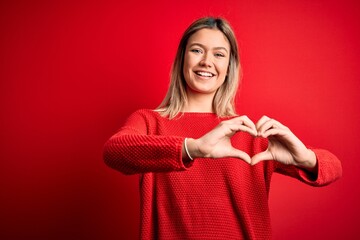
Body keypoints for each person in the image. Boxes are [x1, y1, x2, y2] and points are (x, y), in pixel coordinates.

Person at [103, 17, 342, 240]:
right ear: (182, 59)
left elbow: (334, 167)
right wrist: (191, 148)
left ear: (229, 67)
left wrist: (306, 158)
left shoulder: (248, 132)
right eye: (197, 50)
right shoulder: (150, 122)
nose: (206, 61)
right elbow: (114, 152)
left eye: (219, 54)